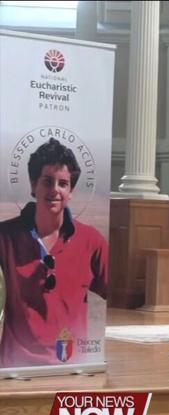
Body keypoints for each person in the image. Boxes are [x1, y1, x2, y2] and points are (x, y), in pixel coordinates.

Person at [0, 137, 109, 368]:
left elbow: (118, 294)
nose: (55, 190)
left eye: (63, 183)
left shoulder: (92, 241)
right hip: (15, 367)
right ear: (32, 185)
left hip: (72, 364)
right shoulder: (4, 237)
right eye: (47, 181)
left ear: (71, 191)